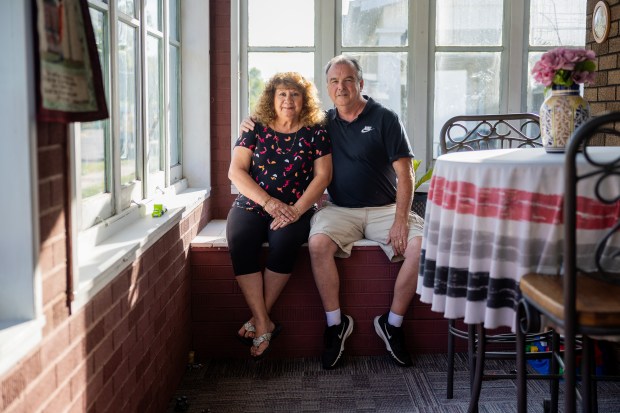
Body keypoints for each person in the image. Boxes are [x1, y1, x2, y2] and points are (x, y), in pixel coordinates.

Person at [241, 56, 423, 369]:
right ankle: (335, 324)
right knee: (317, 244)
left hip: (385, 209)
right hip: (340, 210)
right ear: (327, 88)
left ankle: (392, 325)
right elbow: (283, 124)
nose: (342, 86)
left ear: (360, 84)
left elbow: (405, 175)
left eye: (349, 79)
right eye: (335, 81)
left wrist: (399, 221)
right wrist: (250, 122)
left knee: (421, 248)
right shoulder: (321, 123)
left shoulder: (385, 118)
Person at [227, 72, 332, 361]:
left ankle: (260, 320)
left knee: (285, 243)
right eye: (282, 94)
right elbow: (235, 171)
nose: (288, 100)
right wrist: (268, 202)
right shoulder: (254, 128)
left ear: (304, 100)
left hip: (296, 210)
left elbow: (323, 177)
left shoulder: (315, 131)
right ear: (272, 99)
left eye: (295, 94)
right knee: (240, 239)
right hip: (253, 204)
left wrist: (296, 210)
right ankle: (264, 321)